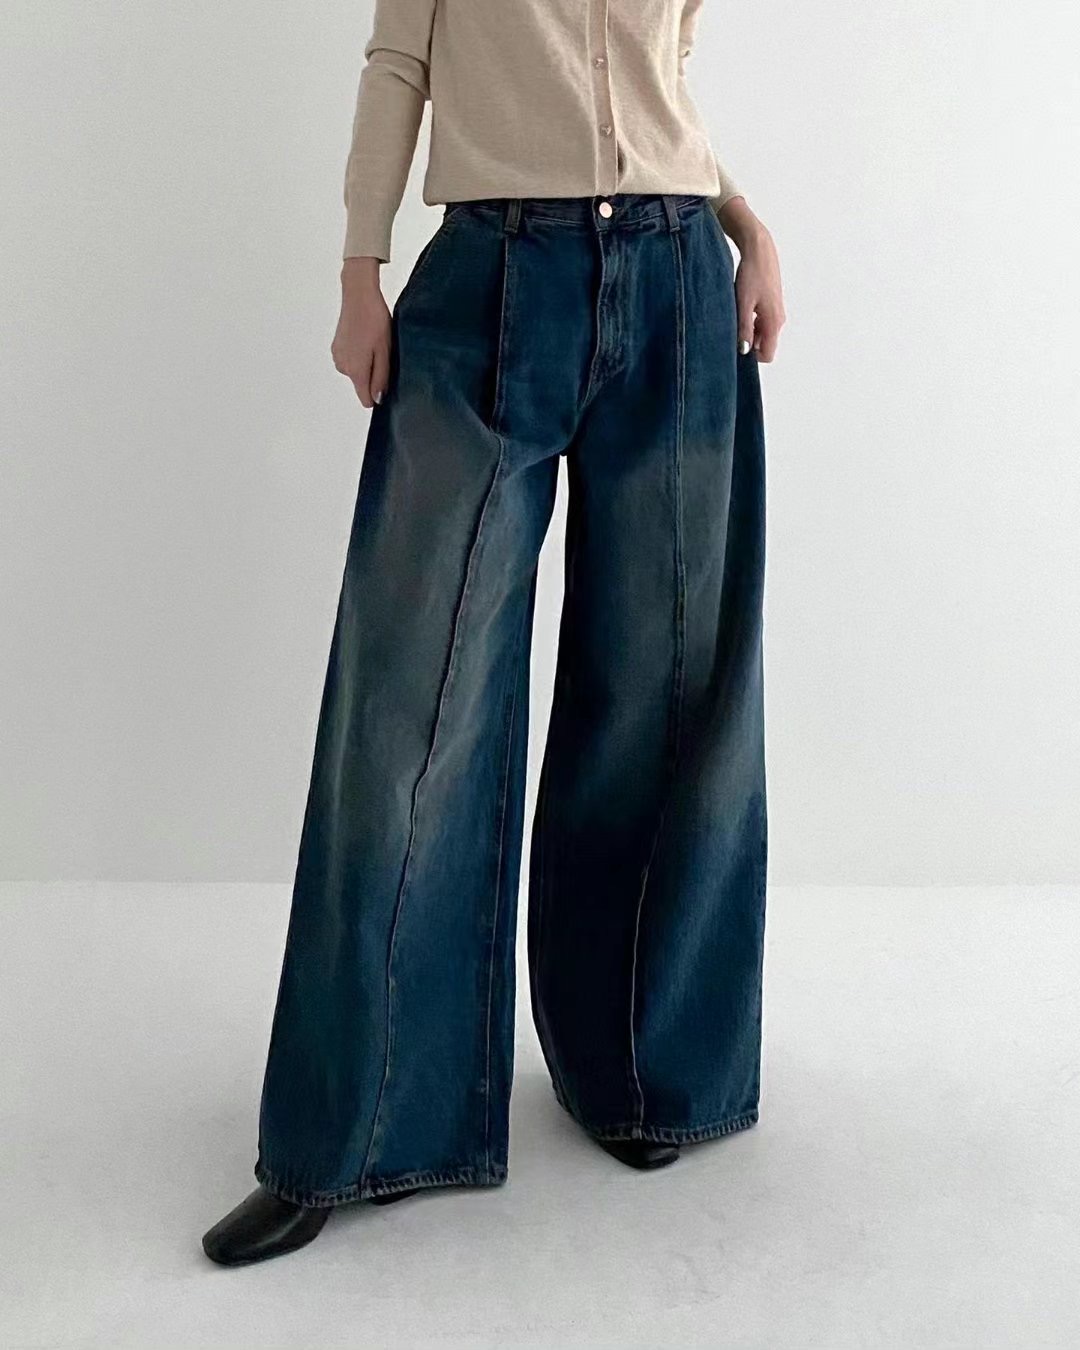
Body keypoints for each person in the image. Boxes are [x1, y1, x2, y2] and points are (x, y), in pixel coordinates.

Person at [202, 0, 785, 1267]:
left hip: (680, 277)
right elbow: (399, 61)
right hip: (489, 277)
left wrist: (744, 221)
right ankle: (356, 1128)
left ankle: (640, 1071)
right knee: (408, 712)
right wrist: (359, 268)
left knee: (666, 692)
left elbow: (658, 81)